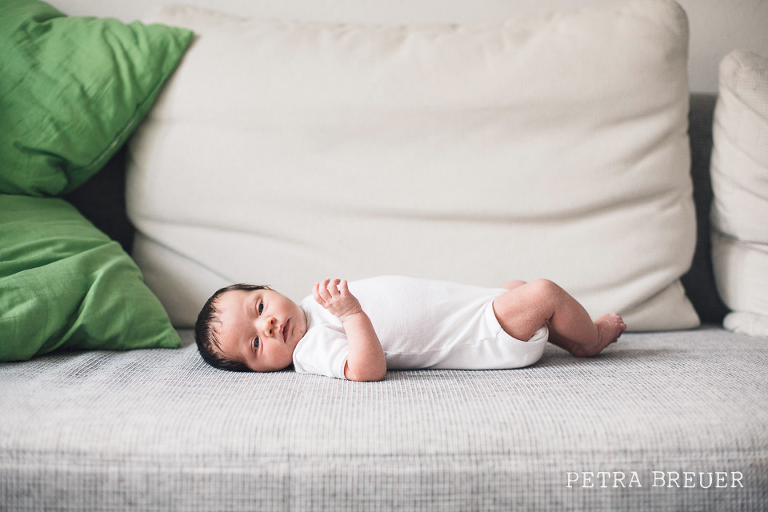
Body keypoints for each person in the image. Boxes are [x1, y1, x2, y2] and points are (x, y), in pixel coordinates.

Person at [194, 276, 626, 381]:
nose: (267, 325)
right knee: (543, 293)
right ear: (258, 369)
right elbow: (365, 369)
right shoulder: (309, 350)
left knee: (517, 288)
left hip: (477, 310)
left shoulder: (314, 304)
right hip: (485, 338)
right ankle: (589, 340)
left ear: (268, 288)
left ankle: (567, 335)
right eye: (254, 342)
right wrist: (351, 314)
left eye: (259, 306)